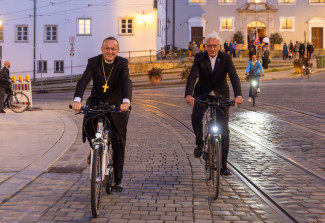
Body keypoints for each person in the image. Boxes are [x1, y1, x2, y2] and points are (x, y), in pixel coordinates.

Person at [72, 37, 132, 192]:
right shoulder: (93, 62)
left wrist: (126, 101)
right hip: (97, 100)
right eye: (107, 48)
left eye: (113, 49)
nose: (110, 51)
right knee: (89, 122)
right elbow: (84, 80)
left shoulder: (122, 64)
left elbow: (126, 81)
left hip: (117, 103)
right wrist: (77, 100)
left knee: (117, 139)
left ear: (117, 51)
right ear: (102, 49)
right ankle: (95, 150)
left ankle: (117, 180)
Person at [185, 32, 243, 176]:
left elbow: (234, 76)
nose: (212, 49)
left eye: (214, 46)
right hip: (202, 94)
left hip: (221, 95)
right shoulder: (199, 58)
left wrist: (238, 95)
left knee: (224, 131)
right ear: (205, 47)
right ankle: (199, 143)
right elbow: (193, 76)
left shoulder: (226, 58)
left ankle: (223, 166)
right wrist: (189, 94)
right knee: (196, 117)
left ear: (219, 46)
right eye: (209, 46)